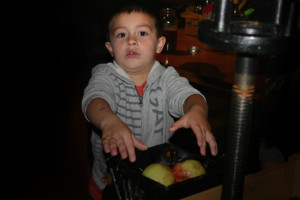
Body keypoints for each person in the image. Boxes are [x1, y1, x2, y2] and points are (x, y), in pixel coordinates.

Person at [81, 0, 218, 199]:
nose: (131, 41)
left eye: (142, 33)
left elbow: (187, 94)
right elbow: (94, 99)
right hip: (111, 181)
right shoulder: (104, 75)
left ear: (159, 44)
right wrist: (108, 121)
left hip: (155, 179)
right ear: (110, 48)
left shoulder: (167, 77)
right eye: (122, 34)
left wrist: (197, 109)